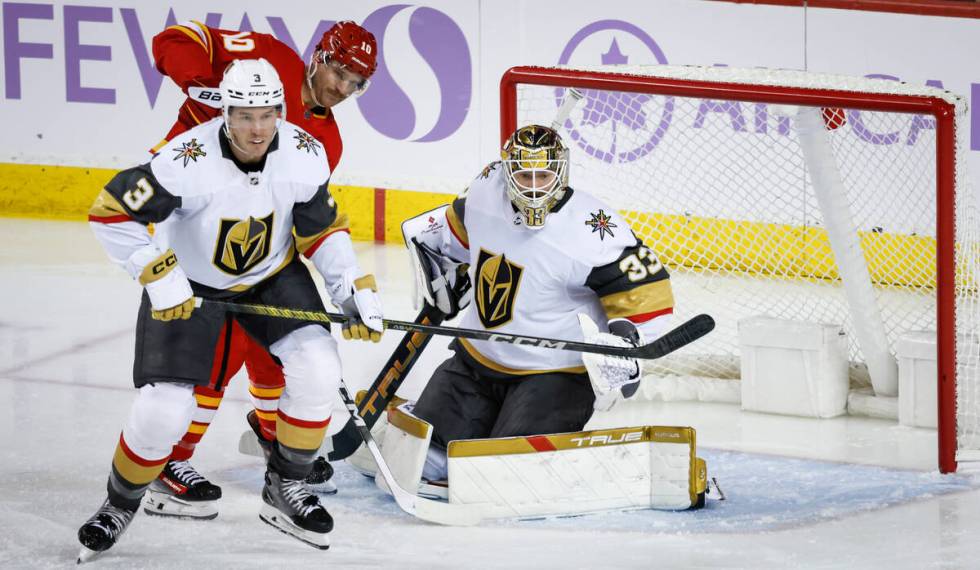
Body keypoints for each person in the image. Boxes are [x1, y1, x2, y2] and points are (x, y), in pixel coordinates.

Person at [78, 59, 382, 559]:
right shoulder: (185, 159)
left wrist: (351, 287)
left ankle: (286, 485)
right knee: (163, 410)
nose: (257, 128)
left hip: (272, 279)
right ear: (225, 111)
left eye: (266, 114)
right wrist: (159, 274)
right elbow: (110, 213)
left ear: (282, 111)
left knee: (319, 369)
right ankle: (119, 503)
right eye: (244, 115)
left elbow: (322, 229)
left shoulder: (306, 154)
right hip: (194, 288)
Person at [142, 20, 378, 517]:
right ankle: (168, 459)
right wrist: (196, 84)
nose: (340, 88)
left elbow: (303, 217)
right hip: (188, 228)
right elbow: (173, 40)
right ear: (318, 56)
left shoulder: (324, 143)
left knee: (281, 349)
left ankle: (277, 440)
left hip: (252, 248)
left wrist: (342, 285)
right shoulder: (266, 60)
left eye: (355, 83)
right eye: (338, 70)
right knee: (210, 360)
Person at [400, 125, 675, 481]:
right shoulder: (485, 190)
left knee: (509, 469)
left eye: (542, 175)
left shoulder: (594, 230)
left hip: (555, 375)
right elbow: (456, 231)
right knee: (427, 457)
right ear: (506, 171)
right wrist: (443, 262)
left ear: (561, 173)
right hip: (476, 362)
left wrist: (625, 342)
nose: (532, 186)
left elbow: (650, 295)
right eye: (523, 174)